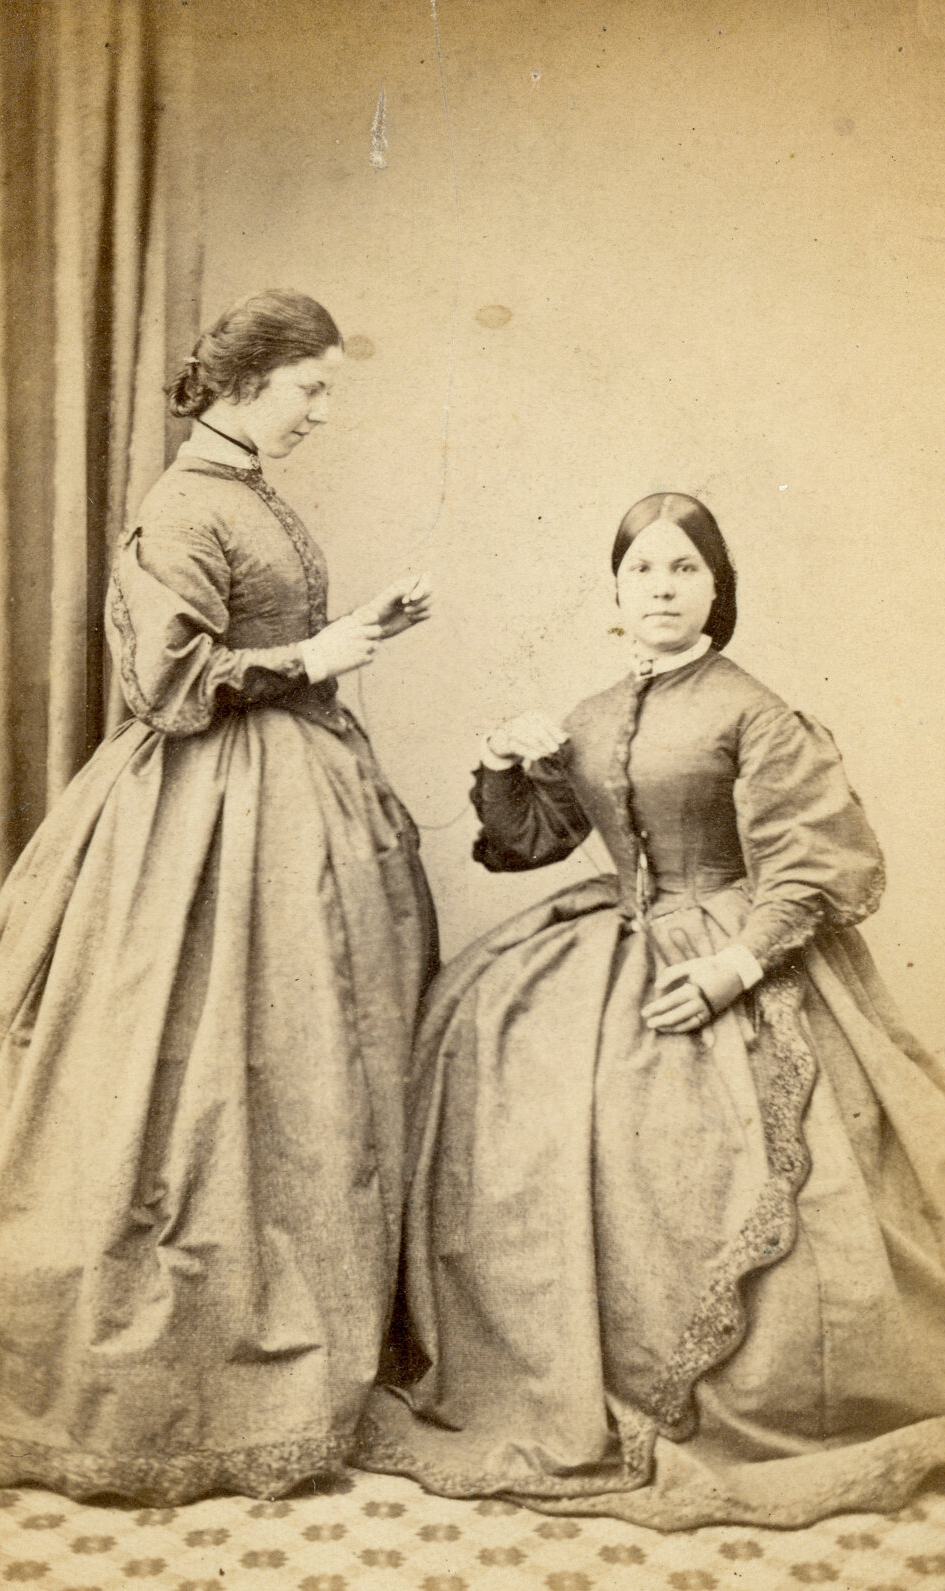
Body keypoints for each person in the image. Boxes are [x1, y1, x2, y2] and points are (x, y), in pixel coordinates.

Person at [358, 492, 945, 1528]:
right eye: (642, 572)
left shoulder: (753, 712)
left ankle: (739, 1392)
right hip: (613, 938)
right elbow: (531, 841)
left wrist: (733, 967)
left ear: (717, 591)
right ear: (616, 593)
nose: (661, 590)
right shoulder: (589, 712)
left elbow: (814, 863)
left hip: (740, 946)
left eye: (682, 571)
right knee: (493, 1063)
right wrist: (505, 760)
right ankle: (546, 1366)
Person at [0, 289, 438, 1505]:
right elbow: (168, 683)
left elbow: (257, 633)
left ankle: (308, 1311)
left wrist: (345, 634)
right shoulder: (181, 503)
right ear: (247, 379)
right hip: (204, 806)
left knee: (303, 1068)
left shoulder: (247, 494)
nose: (323, 409)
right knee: (189, 1076)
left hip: (294, 794)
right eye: (309, 387)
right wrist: (309, 659)